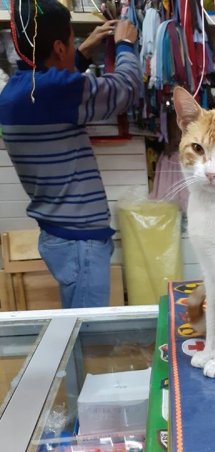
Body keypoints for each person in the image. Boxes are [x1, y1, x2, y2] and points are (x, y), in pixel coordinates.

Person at [0, 0, 141, 308]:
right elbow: (126, 89)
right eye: (70, 41)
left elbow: (58, 84)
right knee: (85, 331)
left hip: (63, 237)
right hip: (80, 244)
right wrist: (127, 45)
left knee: (76, 325)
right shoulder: (51, 91)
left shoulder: (18, 90)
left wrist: (81, 51)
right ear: (58, 47)